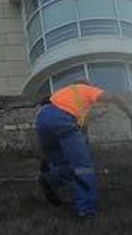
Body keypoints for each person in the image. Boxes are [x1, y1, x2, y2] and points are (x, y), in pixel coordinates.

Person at [36, 81, 107, 218]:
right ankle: (86, 211)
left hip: (41, 119)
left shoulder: (63, 96)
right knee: (83, 168)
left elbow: (80, 126)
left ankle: (51, 179)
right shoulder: (85, 91)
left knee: (63, 164)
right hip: (61, 121)